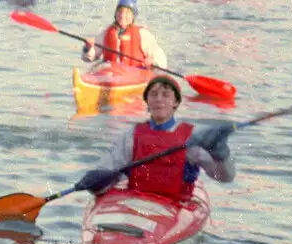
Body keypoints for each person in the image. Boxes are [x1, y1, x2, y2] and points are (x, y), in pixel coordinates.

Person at [75, 75, 234, 201]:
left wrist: (220, 154)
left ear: (176, 102)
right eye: (153, 94)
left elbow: (225, 177)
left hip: (176, 204)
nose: (159, 99)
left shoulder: (192, 138)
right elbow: (109, 168)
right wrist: (94, 181)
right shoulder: (131, 135)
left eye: (166, 95)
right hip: (135, 203)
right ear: (147, 102)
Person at [81, 0, 168, 71]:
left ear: (133, 16)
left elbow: (161, 59)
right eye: (120, 12)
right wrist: (88, 48)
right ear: (115, 14)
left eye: (127, 13)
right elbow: (88, 58)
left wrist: (153, 62)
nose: (122, 16)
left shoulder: (143, 34)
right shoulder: (106, 32)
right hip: (110, 72)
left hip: (135, 72)